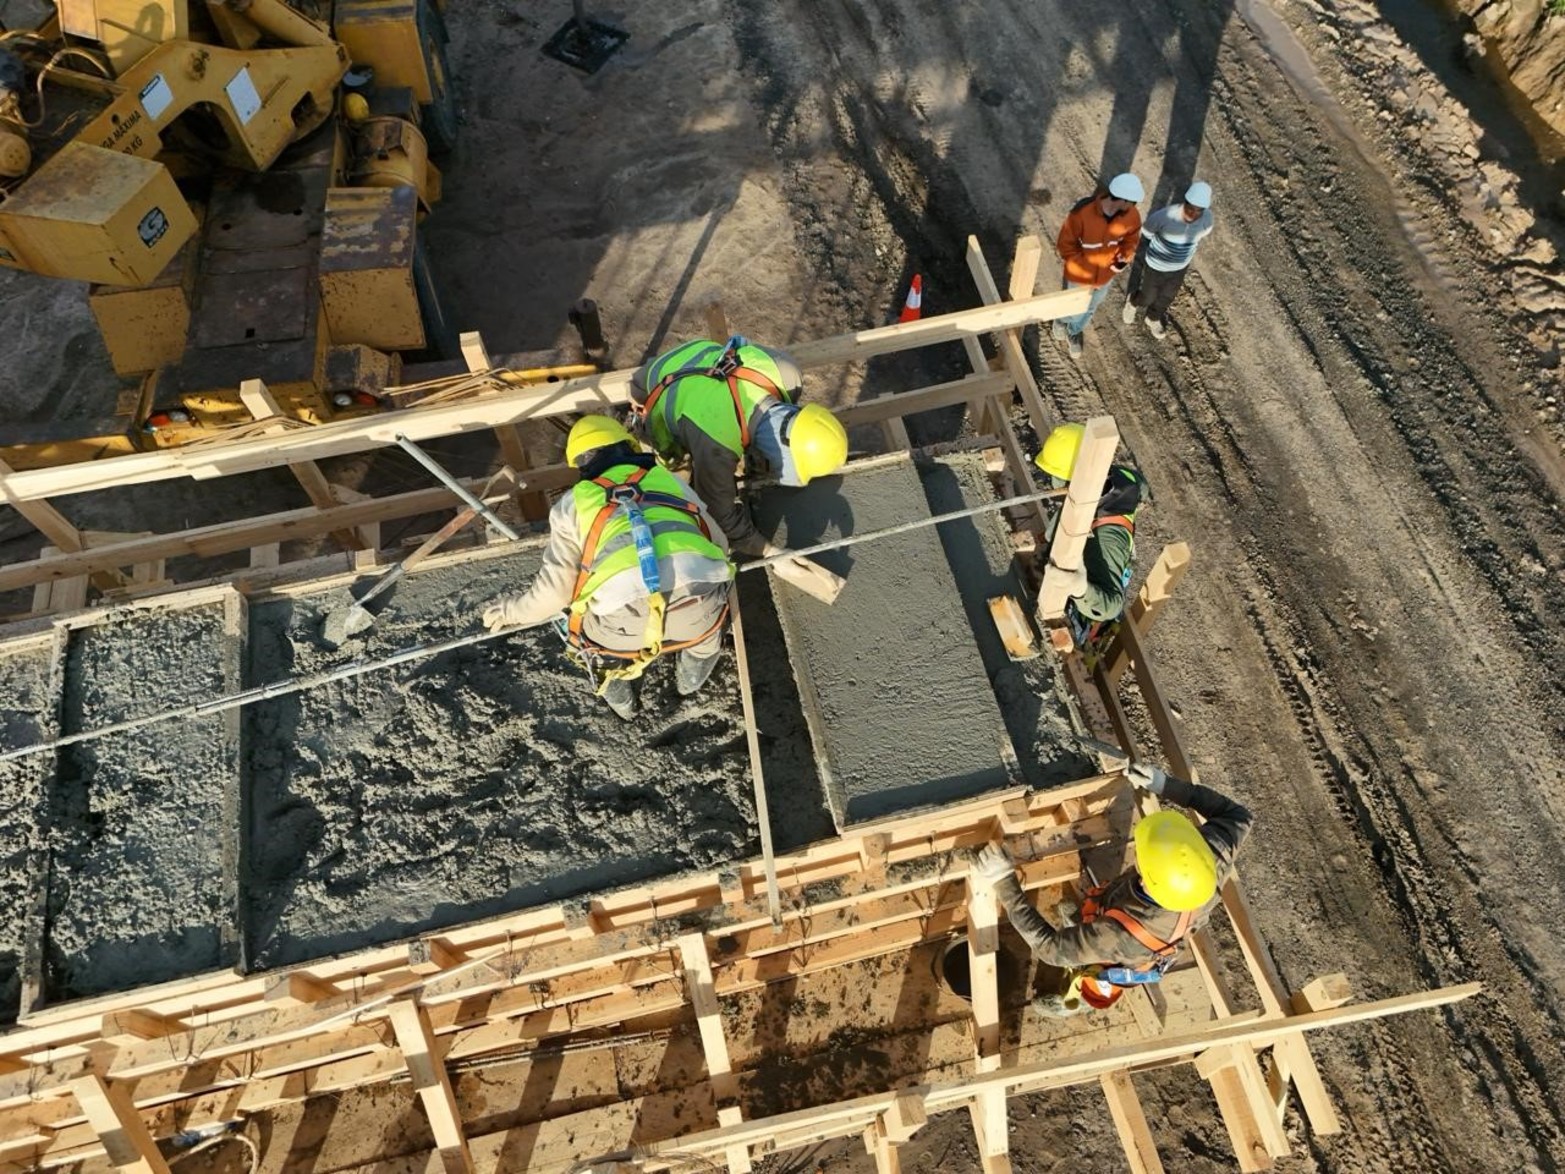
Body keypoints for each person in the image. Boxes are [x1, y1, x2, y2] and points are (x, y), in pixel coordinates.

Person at [481, 415, 733, 720]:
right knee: (706, 634)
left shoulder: (573, 504)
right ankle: (690, 683)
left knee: (583, 641)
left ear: (581, 465)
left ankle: (624, 706)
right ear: (627, 446)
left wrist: (511, 612)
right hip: (697, 607)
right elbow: (719, 545)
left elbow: (554, 594)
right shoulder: (670, 481)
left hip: (620, 627)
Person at [971, 762, 1253, 1015]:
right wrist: (1164, 784)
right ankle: (1088, 927)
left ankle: (1082, 1002)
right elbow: (1238, 815)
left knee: (1098, 981)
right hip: (1151, 926)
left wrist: (1003, 879)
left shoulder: (1118, 937)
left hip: (1136, 952)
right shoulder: (1211, 856)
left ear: (1147, 876)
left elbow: (1049, 949)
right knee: (1092, 917)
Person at [629, 337, 849, 559]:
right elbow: (719, 515)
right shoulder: (716, 441)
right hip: (651, 386)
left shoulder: (786, 372)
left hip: (700, 356)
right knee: (679, 486)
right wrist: (769, 551)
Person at [1034, 422, 1147, 633]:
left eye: (1059, 478)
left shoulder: (1107, 540)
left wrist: (1077, 588)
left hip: (1086, 606)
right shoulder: (1115, 477)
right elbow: (1142, 488)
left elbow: (1111, 606)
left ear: (1077, 480)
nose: (1053, 482)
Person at [1053, 173, 1144, 361]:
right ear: (1123, 200)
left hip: (1105, 276)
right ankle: (1062, 320)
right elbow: (1065, 245)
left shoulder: (1131, 216)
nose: (1134, 207)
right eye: (1133, 202)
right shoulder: (1082, 213)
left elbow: (1131, 239)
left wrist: (1124, 258)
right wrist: (1083, 269)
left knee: (1091, 307)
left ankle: (1074, 330)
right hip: (1079, 277)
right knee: (1074, 307)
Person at [1121, 181, 1215, 338]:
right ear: (1184, 203)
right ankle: (1133, 302)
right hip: (1156, 265)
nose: (1193, 214)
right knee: (1148, 296)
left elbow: (1202, 233)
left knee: (1167, 296)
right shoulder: (1165, 216)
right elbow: (1148, 231)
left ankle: (1153, 318)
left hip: (1179, 267)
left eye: (1198, 211)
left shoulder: (1207, 219)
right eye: (1190, 208)